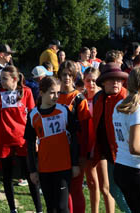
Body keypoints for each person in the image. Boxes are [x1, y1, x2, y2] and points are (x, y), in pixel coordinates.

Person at [0, 66, 42, 213]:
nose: (1, 81)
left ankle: (39, 210)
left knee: (31, 175)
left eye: (5, 79)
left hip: (23, 140)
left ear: (15, 79)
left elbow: (33, 116)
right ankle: (13, 209)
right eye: (0, 78)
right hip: (5, 140)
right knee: (7, 176)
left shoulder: (27, 92)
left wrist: (37, 138)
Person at [25, 76, 80, 212]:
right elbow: (30, 145)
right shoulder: (33, 115)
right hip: (45, 168)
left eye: (58, 93)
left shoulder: (64, 111)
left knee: (62, 207)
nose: (56, 96)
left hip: (63, 166)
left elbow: (74, 138)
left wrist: (75, 163)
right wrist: (32, 170)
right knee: (51, 208)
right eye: (52, 92)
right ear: (42, 93)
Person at [113, 67, 140, 213]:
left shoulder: (118, 106)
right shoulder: (137, 109)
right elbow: (135, 147)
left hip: (121, 167)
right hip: (135, 171)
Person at [93, 62, 131, 213]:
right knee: (115, 191)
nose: (116, 82)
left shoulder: (126, 98)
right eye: (111, 79)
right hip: (110, 155)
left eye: (119, 79)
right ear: (103, 83)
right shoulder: (99, 99)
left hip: (126, 156)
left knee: (127, 193)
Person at [57, 60, 91, 213]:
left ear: (74, 76)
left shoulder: (79, 99)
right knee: (62, 189)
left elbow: (85, 130)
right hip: (57, 149)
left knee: (75, 189)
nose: (67, 78)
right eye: (64, 74)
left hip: (76, 150)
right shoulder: (54, 96)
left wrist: (83, 155)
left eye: (70, 75)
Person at [82, 67, 109, 213]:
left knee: (105, 186)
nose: (91, 83)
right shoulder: (81, 98)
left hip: (101, 145)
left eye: (94, 80)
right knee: (92, 183)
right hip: (87, 144)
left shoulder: (103, 97)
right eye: (88, 80)